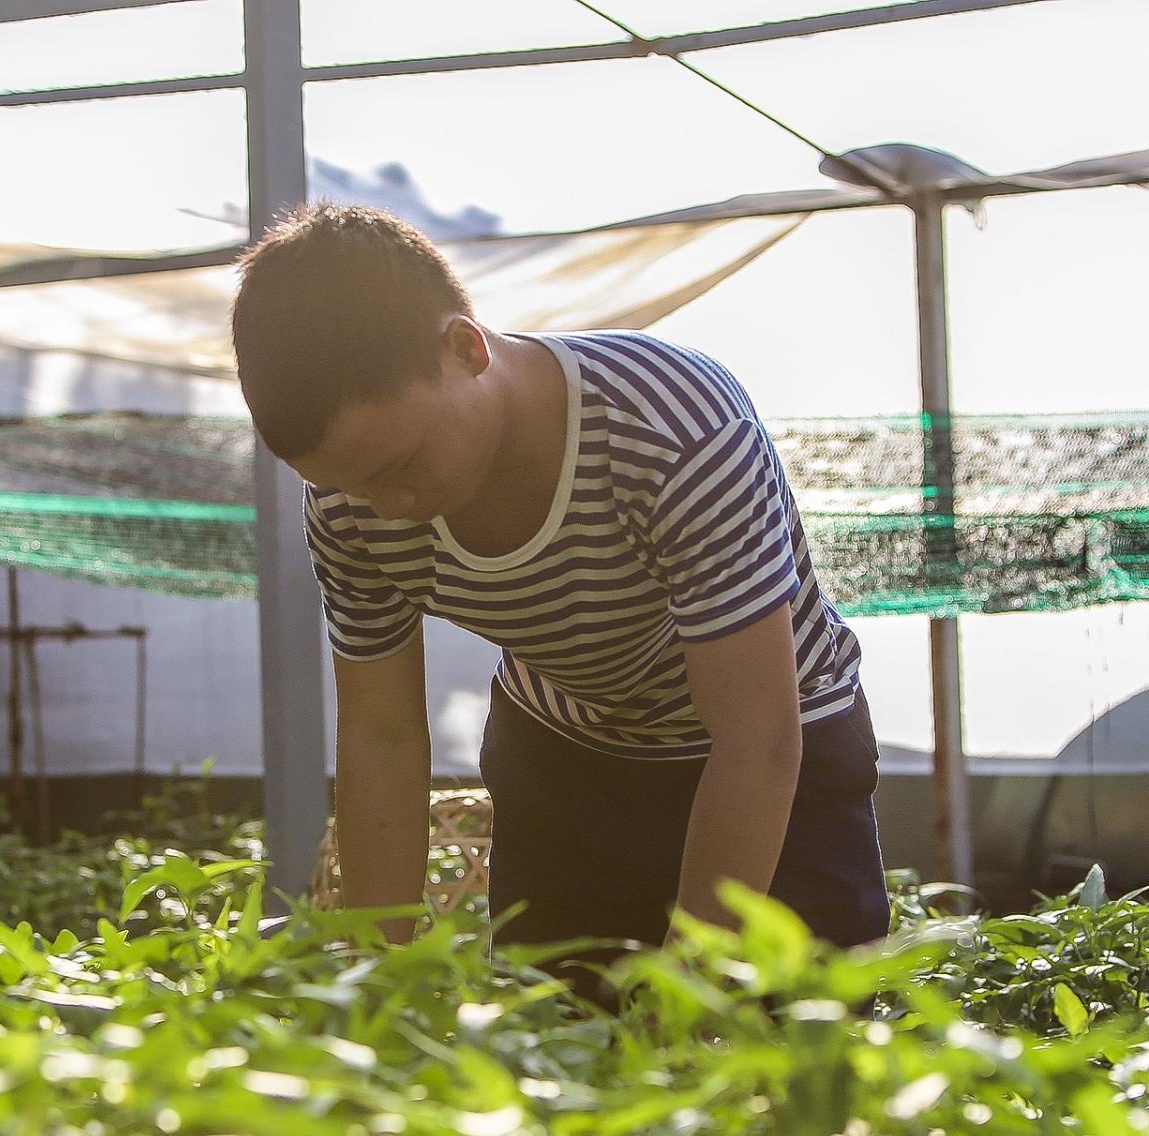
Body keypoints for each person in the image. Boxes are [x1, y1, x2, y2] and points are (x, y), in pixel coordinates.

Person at [230, 204, 890, 958]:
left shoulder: (677, 431)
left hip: (775, 756)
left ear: (465, 348)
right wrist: (380, 977)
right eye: (347, 483)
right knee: (563, 1043)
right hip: (567, 760)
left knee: (794, 1047)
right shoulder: (353, 499)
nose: (389, 509)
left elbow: (756, 734)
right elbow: (382, 735)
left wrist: (695, 978)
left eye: (398, 467)